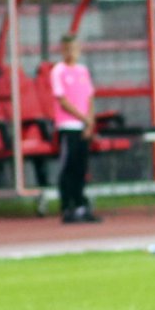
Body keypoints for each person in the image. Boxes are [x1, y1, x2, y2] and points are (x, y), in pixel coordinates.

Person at [48, 35, 100, 224]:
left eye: (75, 48)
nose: (72, 52)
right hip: (68, 126)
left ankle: (80, 205)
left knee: (81, 168)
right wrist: (83, 118)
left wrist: (90, 122)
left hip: (83, 127)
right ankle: (67, 207)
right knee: (68, 167)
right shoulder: (58, 71)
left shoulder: (83, 71)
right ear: (63, 50)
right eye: (68, 49)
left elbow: (90, 98)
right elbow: (62, 100)